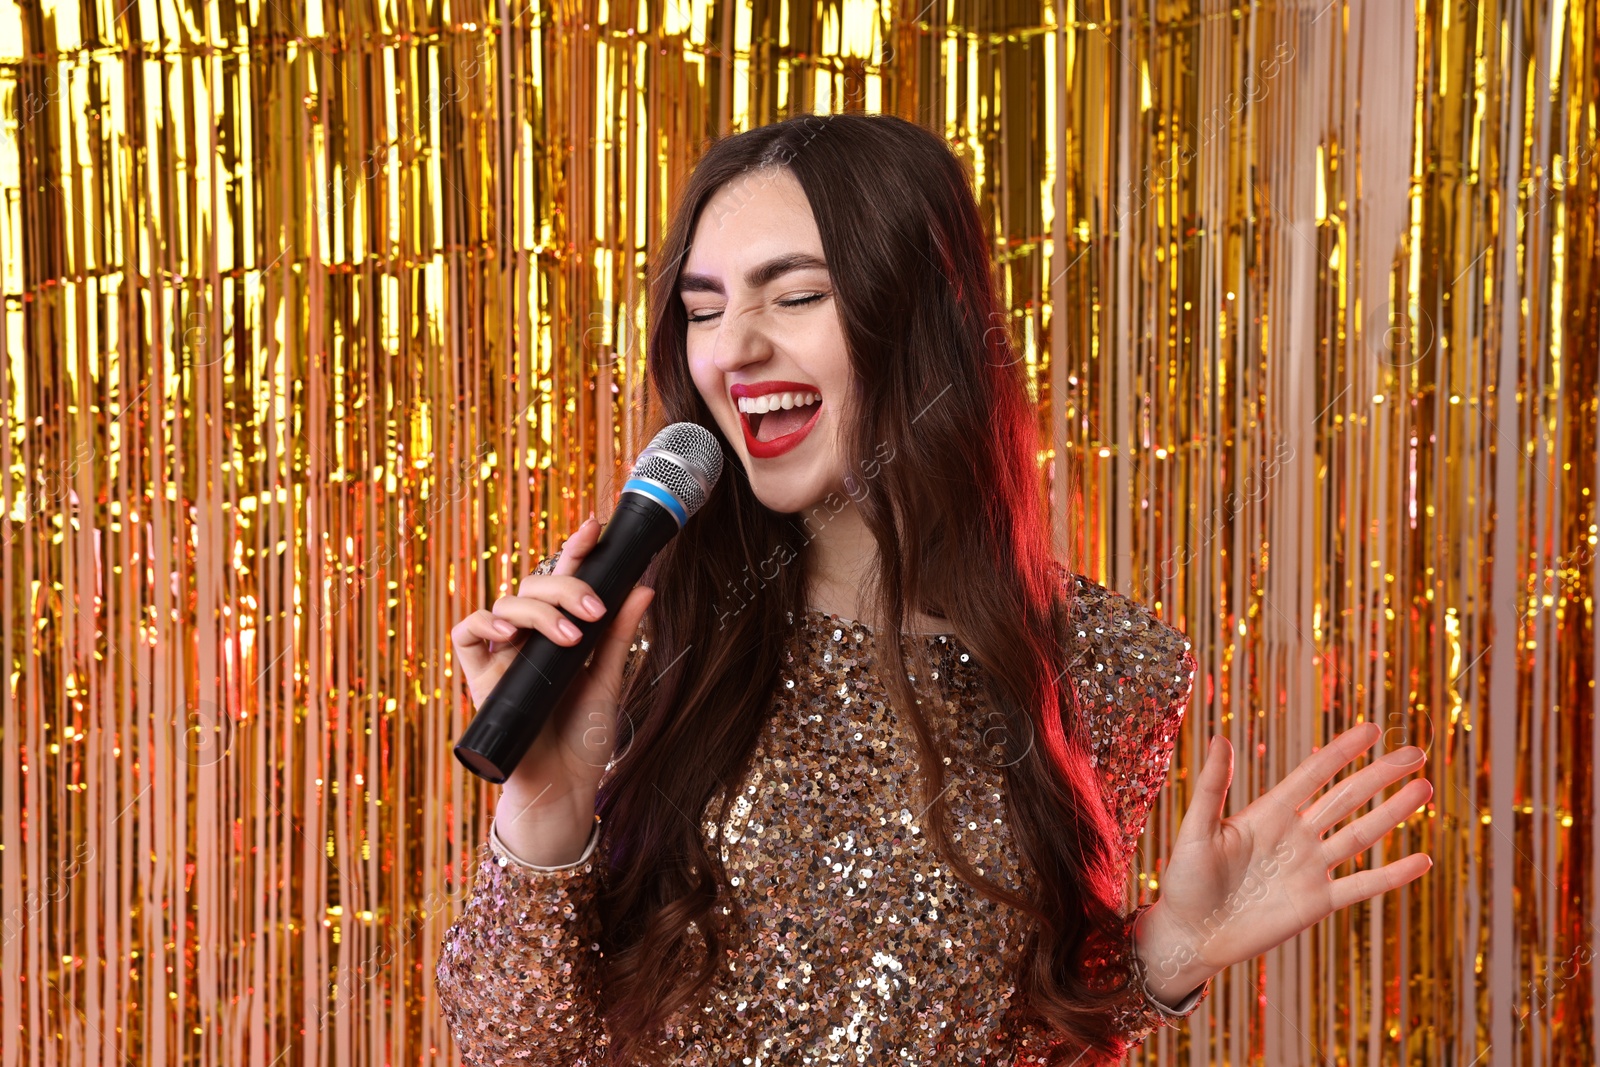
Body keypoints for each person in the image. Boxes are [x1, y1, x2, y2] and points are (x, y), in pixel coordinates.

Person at [435, 113, 1432, 1065]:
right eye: (703, 308)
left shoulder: (1108, 664)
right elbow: (512, 1045)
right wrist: (544, 817)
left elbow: (1030, 1029)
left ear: (923, 313)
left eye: (793, 297)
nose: (731, 348)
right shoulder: (625, 641)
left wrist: (1161, 962)